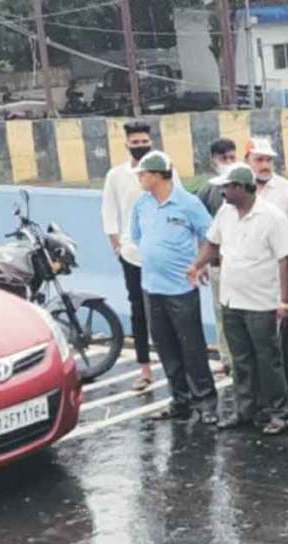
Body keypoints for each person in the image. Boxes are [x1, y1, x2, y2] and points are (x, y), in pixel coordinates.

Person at [189, 163, 288, 435]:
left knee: (267, 359)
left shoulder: (272, 217)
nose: (222, 192)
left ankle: (277, 411)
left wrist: (285, 301)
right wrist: (197, 265)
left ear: (240, 188)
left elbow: (284, 260)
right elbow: (212, 243)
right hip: (231, 300)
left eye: (226, 187)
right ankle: (245, 409)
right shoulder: (225, 213)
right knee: (241, 359)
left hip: (261, 302)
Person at [131, 150, 219, 423]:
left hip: (181, 287)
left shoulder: (188, 203)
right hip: (151, 287)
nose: (140, 179)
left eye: (143, 174)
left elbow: (211, 236)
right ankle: (180, 399)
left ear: (158, 176)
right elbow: (137, 236)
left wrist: (201, 263)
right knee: (166, 347)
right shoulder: (141, 204)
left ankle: (206, 401)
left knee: (191, 346)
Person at [246, 137, 288, 418]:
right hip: (253, 280)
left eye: (269, 160)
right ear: (247, 159)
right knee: (260, 340)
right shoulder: (239, 191)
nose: (264, 165)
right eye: (259, 159)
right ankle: (267, 394)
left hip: (283, 277)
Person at [101, 121, 163, 391]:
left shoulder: (163, 168)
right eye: (135, 143)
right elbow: (109, 211)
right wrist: (116, 243)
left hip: (162, 253)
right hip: (131, 254)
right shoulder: (116, 175)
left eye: (144, 142)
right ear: (127, 144)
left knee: (164, 310)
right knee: (138, 311)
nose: (141, 146)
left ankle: (175, 368)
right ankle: (145, 370)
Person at [197, 138, 238, 376]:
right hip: (218, 264)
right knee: (222, 312)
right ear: (214, 161)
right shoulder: (207, 190)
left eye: (232, 157)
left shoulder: (246, 184)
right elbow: (201, 232)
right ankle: (227, 358)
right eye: (224, 159)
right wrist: (201, 262)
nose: (229, 162)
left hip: (244, 264)